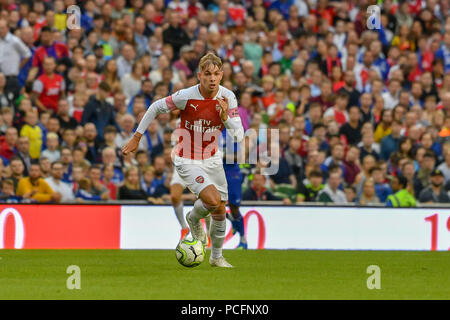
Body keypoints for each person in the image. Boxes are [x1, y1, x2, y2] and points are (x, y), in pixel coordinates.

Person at [122, 53, 244, 268]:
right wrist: (137, 136)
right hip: (186, 158)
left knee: (219, 210)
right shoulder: (186, 96)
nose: (212, 78)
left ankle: (216, 257)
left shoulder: (228, 98)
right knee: (213, 200)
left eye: (216, 74)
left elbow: (239, 135)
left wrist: (225, 118)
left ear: (222, 75)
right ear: (199, 76)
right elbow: (155, 107)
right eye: (207, 74)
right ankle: (193, 218)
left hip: (213, 158)